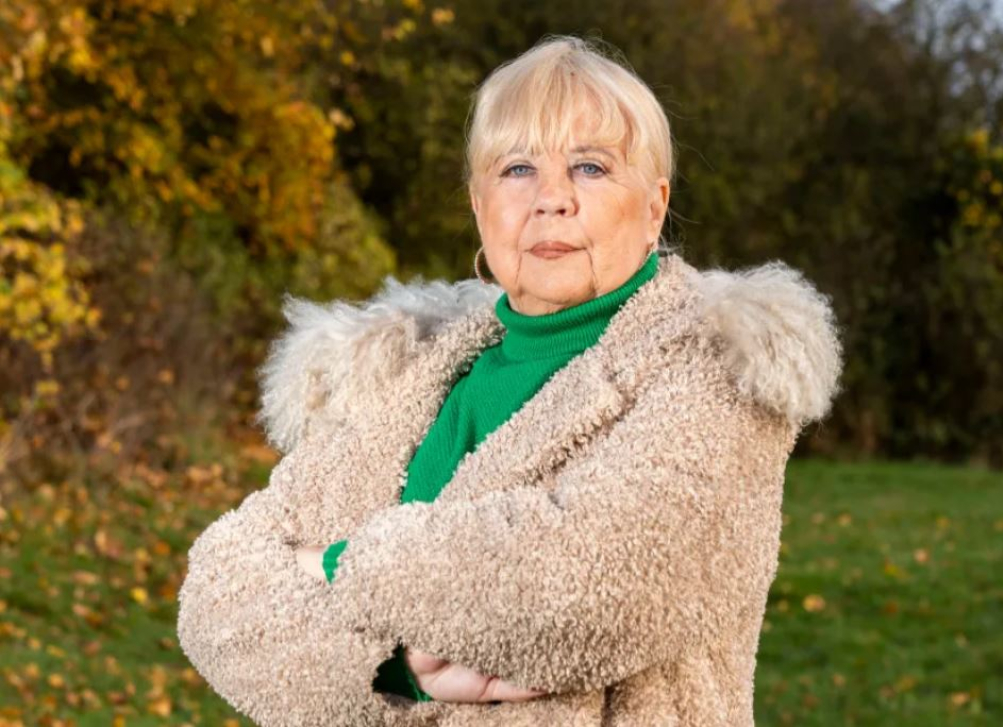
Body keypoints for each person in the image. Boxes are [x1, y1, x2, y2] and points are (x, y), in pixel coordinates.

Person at [176, 34, 843, 727]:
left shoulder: (717, 364)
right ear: (478, 204)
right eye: (518, 168)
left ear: (654, 207)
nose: (551, 198)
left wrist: (329, 566)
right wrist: (397, 673)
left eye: (590, 167)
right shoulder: (401, 371)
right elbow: (216, 598)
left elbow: (593, 584)